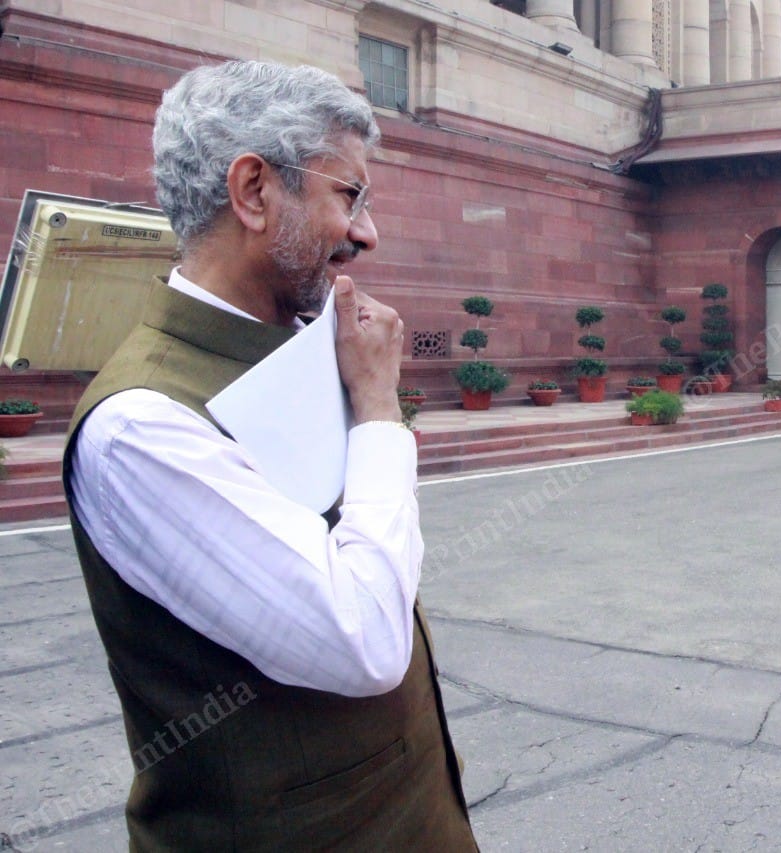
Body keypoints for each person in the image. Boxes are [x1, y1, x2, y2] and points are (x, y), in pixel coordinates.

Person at [63, 61, 478, 850]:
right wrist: (380, 414)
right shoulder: (140, 427)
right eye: (347, 195)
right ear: (254, 191)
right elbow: (364, 638)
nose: (367, 233)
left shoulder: (292, 348)